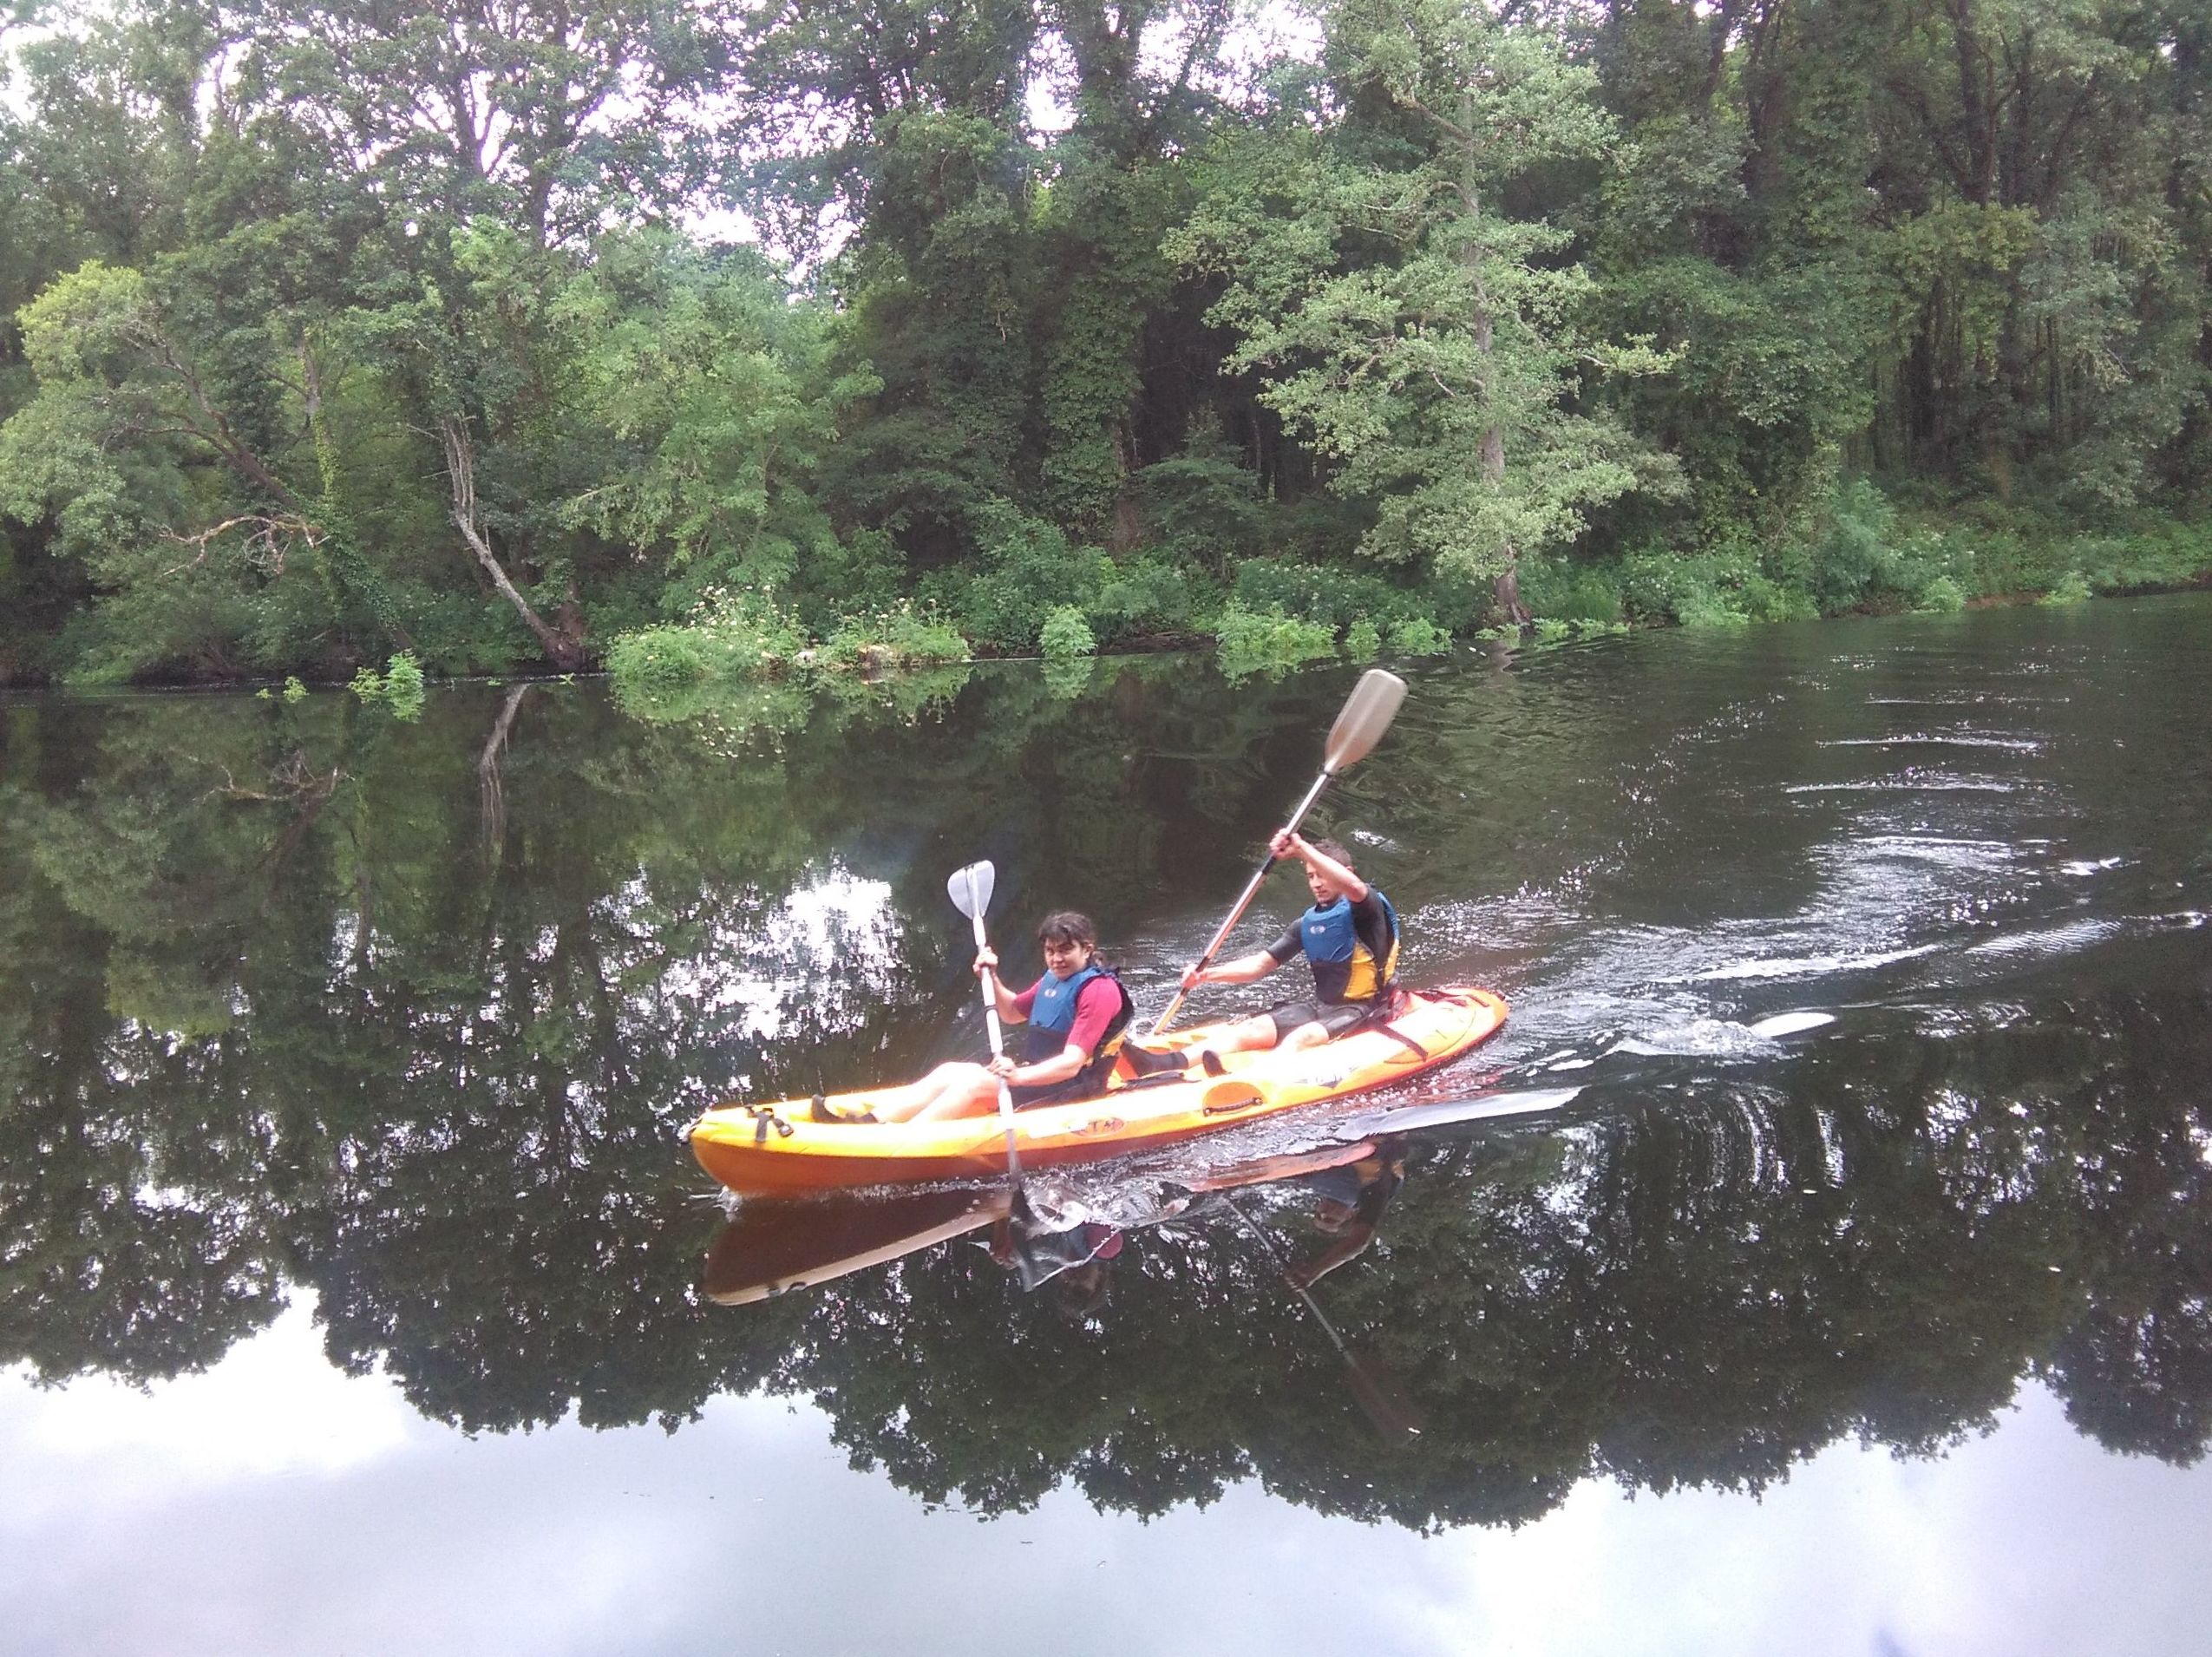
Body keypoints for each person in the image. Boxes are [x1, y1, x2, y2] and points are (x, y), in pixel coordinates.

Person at [823, 911, 1133, 1124]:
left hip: (1073, 1087)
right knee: (949, 1071)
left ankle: (905, 1140)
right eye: (1050, 951)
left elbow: (1072, 1063)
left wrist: (1017, 1077)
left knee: (970, 1084)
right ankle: (872, 1121)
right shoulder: (1054, 978)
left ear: (1086, 949)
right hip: (1040, 1077)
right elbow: (1011, 1013)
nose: (1056, 958)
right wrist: (992, 978)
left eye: (1065, 950)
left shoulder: (1099, 990)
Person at [1177, 830, 1401, 1067]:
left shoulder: (1366, 907)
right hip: (1321, 1007)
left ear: (1345, 873)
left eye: (1322, 875)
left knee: (1300, 1038)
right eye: (1311, 876)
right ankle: (1168, 1064)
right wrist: (1206, 976)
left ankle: (1251, 1081)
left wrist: (1301, 848)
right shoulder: (1306, 924)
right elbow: (1260, 965)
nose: (1316, 883)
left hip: (1363, 1008)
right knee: (1252, 1028)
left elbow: (1355, 888)